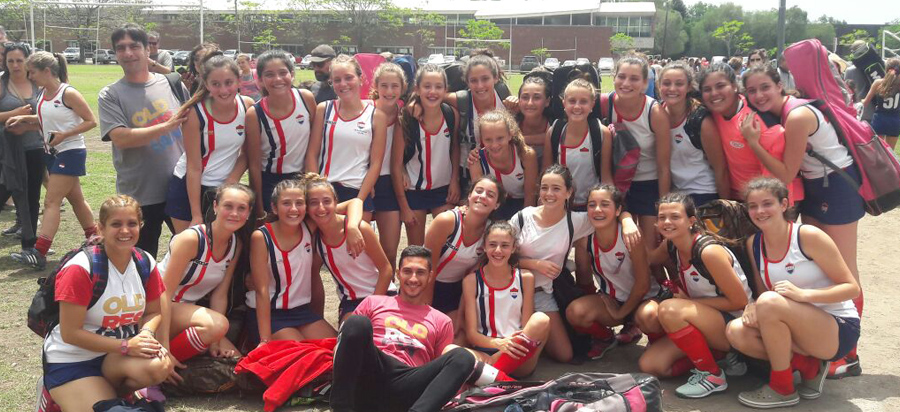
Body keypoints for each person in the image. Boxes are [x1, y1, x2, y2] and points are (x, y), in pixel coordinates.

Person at [741, 65, 866, 378]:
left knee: (845, 270)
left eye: (765, 87)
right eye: (752, 90)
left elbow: (784, 173)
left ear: (779, 85)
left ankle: (849, 355)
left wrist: (753, 142)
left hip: (836, 186)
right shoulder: (783, 113)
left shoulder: (796, 116)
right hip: (817, 185)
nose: (759, 95)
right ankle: (819, 347)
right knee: (820, 264)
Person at [727, 177, 860, 408]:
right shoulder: (754, 243)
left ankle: (782, 388)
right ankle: (809, 367)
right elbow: (764, 293)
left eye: (767, 203)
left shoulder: (807, 235)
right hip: (795, 325)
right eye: (753, 206)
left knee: (769, 302)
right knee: (736, 331)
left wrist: (804, 295)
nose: (760, 211)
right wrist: (752, 305)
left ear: (784, 204)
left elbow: (851, 288)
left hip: (837, 328)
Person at [36, 195, 173, 412]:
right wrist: (126, 345)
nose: (125, 231)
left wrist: (146, 333)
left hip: (114, 357)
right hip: (73, 359)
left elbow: (154, 312)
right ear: (101, 228)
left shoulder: (144, 261)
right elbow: (70, 333)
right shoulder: (81, 268)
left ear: (141, 225)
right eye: (116, 224)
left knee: (159, 366)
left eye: (132, 223)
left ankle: (113, 395)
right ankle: (55, 395)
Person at [330, 245, 508, 412]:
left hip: (407, 383)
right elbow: (344, 345)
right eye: (407, 271)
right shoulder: (374, 302)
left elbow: (442, 376)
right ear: (398, 274)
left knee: (462, 357)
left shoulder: (441, 321)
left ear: (430, 276)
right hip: (370, 372)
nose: (413, 278)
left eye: (420, 272)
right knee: (356, 323)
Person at [639, 192, 752, 399]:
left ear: (691, 221)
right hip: (705, 319)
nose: (667, 222)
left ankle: (712, 375)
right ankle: (717, 357)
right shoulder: (671, 244)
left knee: (670, 309)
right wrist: (626, 221)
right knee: (651, 365)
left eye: (675, 217)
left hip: (737, 325)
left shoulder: (708, 252)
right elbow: (649, 259)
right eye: (662, 217)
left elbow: (739, 301)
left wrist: (688, 302)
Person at [99, 23, 187, 258]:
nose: (128, 53)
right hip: (140, 194)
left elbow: (194, 126)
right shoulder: (110, 94)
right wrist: (166, 126)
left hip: (180, 187)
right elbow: (121, 138)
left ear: (148, 50)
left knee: (191, 255)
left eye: (134, 46)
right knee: (140, 260)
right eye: (121, 48)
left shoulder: (172, 83)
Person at [5, 51, 97, 269]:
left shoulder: (68, 93)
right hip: (53, 152)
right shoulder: (43, 93)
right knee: (76, 199)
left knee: (51, 202)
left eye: (32, 72)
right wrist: (24, 121)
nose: (30, 76)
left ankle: (39, 251)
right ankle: (95, 238)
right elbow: (46, 120)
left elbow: (91, 121)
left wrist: (65, 135)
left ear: (47, 71)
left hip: (70, 152)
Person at [247, 177, 362, 347]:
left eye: (299, 203)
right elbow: (261, 291)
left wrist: (352, 226)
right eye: (286, 203)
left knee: (340, 349)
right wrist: (264, 339)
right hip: (271, 314)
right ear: (274, 207)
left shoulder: (309, 226)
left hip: (301, 312)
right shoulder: (261, 237)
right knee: (305, 353)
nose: (294, 209)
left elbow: (355, 202)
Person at [158, 184, 252, 384]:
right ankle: (158, 365)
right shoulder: (191, 239)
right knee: (216, 326)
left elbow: (220, 294)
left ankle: (176, 362)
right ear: (215, 207)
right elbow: (163, 293)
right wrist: (163, 346)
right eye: (228, 206)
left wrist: (216, 340)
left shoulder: (235, 244)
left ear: (249, 213)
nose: (234, 213)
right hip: (156, 309)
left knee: (240, 364)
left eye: (241, 208)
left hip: (185, 312)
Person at [565, 184, 660, 359]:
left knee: (649, 316)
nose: (597, 209)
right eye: (592, 204)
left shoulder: (629, 234)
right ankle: (605, 338)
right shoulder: (585, 239)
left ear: (617, 210)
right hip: (614, 301)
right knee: (575, 312)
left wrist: (621, 313)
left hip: (643, 299)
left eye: (605, 204)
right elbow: (584, 279)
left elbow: (643, 285)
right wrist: (595, 303)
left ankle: (656, 339)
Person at [165, 53, 251, 234]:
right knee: (189, 247)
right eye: (216, 84)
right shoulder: (195, 114)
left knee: (222, 247)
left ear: (238, 80)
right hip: (189, 190)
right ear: (206, 84)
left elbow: (247, 153)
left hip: (223, 189)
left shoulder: (247, 106)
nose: (223, 90)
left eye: (229, 82)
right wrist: (196, 214)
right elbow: (194, 167)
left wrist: (231, 181)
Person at [699, 63, 800, 202]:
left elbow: (779, 180)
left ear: (735, 86)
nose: (714, 93)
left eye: (720, 86)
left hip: (763, 201)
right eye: (707, 89)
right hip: (735, 197)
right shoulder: (713, 114)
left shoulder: (758, 124)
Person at [462, 221, 550, 377]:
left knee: (541, 320)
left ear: (513, 248)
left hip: (516, 351)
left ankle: (488, 376)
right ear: (484, 247)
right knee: (449, 351)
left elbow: (526, 328)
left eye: (505, 245)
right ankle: (496, 377)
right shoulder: (472, 280)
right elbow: (471, 334)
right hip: (486, 351)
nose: (498, 250)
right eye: (492, 244)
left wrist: (508, 345)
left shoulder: (525, 278)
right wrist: (499, 344)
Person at [602, 55, 671, 254]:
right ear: (614, 77)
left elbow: (664, 167)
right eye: (621, 77)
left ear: (644, 83)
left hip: (648, 184)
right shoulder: (604, 103)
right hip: (616, 184)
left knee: (650, 249)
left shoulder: (654, 112)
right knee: (623, 249)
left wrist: (663, 210)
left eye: (634, 79)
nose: (626, 83)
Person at [306, 54, 387, 221]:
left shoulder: (376, 116)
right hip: (326, 190)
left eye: (348, 78)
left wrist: (360, 199)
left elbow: (376, 163)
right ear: (331, 83)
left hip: (357, 190)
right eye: (337, 80)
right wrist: (318, 190)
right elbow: (312, 154)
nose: (343, 84)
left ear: (361, 79)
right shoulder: (324, 109)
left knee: (355, 237)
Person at [306, 173, 394, 321]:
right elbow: (312, 275)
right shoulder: (315, 237)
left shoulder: (360, 229)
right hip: (351, 302)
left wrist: (373, 306)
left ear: (336, 202)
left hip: (381, 293)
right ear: (307, 208)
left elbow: (386, 270)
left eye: (327, 201)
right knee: (352, 331)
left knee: (379, 333)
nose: (321, 207)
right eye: (313, 203)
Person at [423, 175, 503, 330]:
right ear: (470, 195)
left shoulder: (491, 232)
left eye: (490, 195)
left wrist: (460, 315)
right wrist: (426, 309)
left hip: (457, 291)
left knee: (458, 336)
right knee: (428, 331)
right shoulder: (447, 221)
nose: (482, 196)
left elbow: (471, 277)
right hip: (427, 285)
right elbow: (427, 268)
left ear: (497, 205)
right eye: (478, 191)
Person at [393, 64, 460, 246]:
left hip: (443, 189)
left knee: (446, 244)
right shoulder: (407, 118)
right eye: (427, 86)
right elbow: (396, 163)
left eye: (438, 87)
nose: (433, 92)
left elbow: (454, 148)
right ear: (417, 89)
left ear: (445, 90)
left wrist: (454, 180)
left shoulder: (451, 114)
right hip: (414, 190)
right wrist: (404, 206)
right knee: (416, 247)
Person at [245, 50, 316, 215]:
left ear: (292, 74)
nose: (277, 79)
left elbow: (315, 144)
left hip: (303, 178)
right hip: (271, 181)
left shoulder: (306, 98)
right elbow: (254, 164)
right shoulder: (255, 114)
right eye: (269, 74)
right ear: (260, 80)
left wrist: (313, 181)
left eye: (283, 73)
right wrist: (259, 208)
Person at [658, 61, 730, 205]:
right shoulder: (656, 113)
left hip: (703, 194)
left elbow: (720, 170)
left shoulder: (700, 120)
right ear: (658, 86)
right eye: (666, 83)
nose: (672, 88)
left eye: (679, 84)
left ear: (689, 86)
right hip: (675, 195)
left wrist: (726, 208)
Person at [0, 43, 47, 261]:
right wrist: (15, 113)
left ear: (27, 61)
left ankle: (30, 244)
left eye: (19, 60)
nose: (15, 65)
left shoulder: (38, 82)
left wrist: (27, 122)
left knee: (31, 197)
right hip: (6, 151)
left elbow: (51, 113)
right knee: (5, 191)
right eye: (10, 61)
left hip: (35, 148)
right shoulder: (2, 83)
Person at [468, 110, 538, 220]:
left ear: (510, 135)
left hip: (522, 206)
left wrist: (523, 223)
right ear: (481, 139)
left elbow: (530, 196)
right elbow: (479, 200)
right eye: (488, 140)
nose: (494, 145)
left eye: (500, 138)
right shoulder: (477, 160)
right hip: (492, 208)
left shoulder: (526, 155)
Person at [370, 63, 406, 268]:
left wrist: (403, 169)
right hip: (365, 181)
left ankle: (388, 286)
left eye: (395, 86)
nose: (389, 91)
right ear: (376, 86)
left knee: (390, 251)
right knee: (363, 250)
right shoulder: (365, 111)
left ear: (403, 87)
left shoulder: (406, 115)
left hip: (390, 183)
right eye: (384, 85)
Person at [513, 72, 553, 163]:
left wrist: (518, 139)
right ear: (519, 100)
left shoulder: (555, 127)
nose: (530, 103)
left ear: (547, 101)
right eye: (525, 97)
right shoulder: (510, 124)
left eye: (537, 97)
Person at [863, 57, 900, 149]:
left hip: (879, 119)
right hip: (895, 121)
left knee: (878, 150)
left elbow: (865, 102)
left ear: (886, 68)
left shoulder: (878, 82)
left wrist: (860, 100)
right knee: (890, 151)